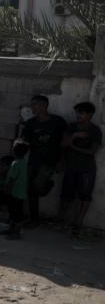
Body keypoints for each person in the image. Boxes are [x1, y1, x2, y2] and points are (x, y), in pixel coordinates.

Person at [21, 95, 67, 226]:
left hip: (50, 162)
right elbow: (25, 142)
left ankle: (48, 185)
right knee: (30, 190)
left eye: (34, 104)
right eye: (32, 104)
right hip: (34, 160)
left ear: (44, 106)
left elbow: (64, 143)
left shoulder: (58, 122)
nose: (32, 107)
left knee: (38, 188)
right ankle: (34, 219)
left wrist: (61, 160)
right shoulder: (31, 123)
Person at [59, 101, 102, 236]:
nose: (78, 115)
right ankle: (61, 219)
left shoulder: (94, 130)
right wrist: (75, 136)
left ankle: (79, 222)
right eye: (77, 112)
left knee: (85, 195)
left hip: (87, 168)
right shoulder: (72, 127)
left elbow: (92, 151)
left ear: (90, 114)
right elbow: (63, 144)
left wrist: (73, 146)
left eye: (81, 113)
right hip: (71, 166)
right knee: (66, 194)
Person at [0, 140, 29, 240]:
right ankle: (11, 230)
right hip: (20, 192)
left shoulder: (15, 163)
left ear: (14, 151)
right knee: (14, 212)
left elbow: (12, 179)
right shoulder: (23, 162)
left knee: (16, 213)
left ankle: (16, 232)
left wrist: (7, 189)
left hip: (14, 192)